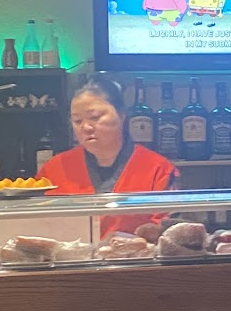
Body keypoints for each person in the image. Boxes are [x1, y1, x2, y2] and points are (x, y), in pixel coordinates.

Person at [43, 73, 175, 232]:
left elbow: (166, 230)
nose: (86, 127)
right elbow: (38, 224)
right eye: (77, 121)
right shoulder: (54, 169)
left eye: (95, 117)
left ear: (122, 115)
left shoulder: (158, 169)